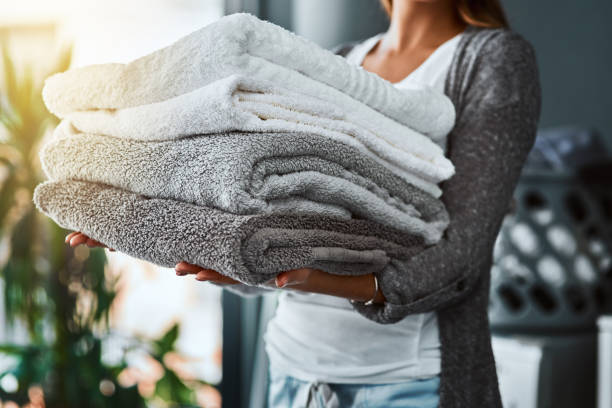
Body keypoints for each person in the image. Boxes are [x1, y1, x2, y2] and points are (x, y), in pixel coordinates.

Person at [66, 0, 541, 406]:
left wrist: (333, 281)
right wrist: (223, 252)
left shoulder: (493, 58)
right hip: (292, 374)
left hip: (407, 381)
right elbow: (282, 224)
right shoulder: (337, 66)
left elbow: (462, 255)